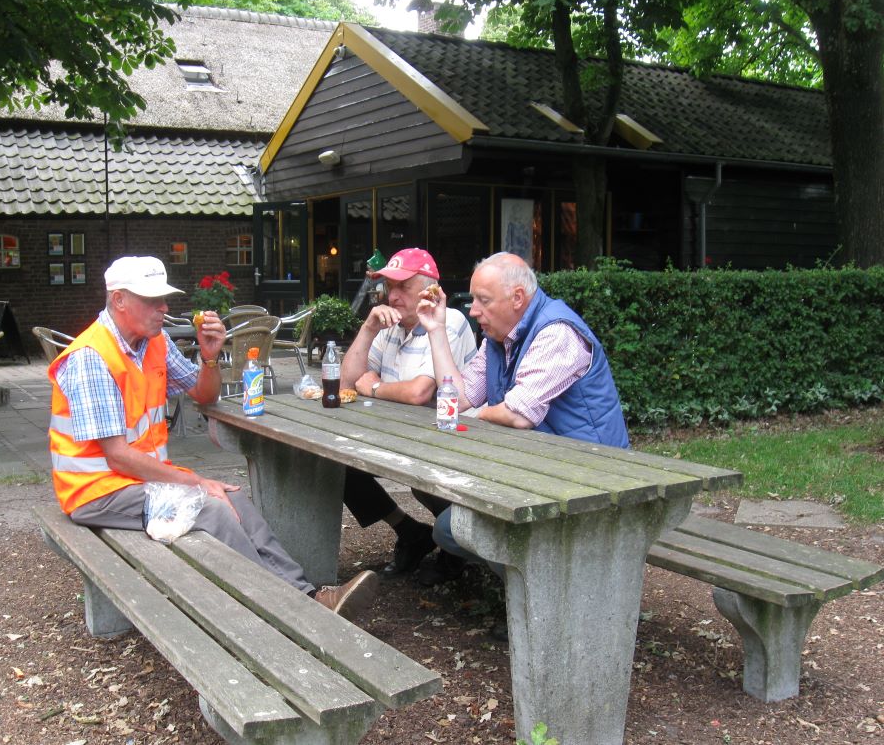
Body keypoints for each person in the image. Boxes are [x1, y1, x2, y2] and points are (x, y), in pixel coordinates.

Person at [47, 255, 378, 619]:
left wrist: (209, 357)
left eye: (163, 298)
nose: (163, 308)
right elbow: (118, 456)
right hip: (95, 492)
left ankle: (307, 597)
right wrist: (197, 482)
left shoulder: (154, 342)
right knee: (212, 508)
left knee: (233, 497)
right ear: (119, 299)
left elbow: (204, 395)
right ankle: (283, 611)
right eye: (152, 300)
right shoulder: (91, 358)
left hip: (136, 481)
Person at [415, 251, 629, 582]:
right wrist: (436, 329)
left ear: (517, 298)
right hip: (545, 471)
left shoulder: (557, 333)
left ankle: (543, 595)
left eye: (483, 300)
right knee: (445, 516)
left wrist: (475, 417)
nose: (473, 310)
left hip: (594, 481)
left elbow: (518, 414)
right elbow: (456, 397)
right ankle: (534, 585)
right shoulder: (499, 338)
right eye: (473, 299)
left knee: (454, 527)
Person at [339, 247, 478, 579]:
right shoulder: (389, 324)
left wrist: (374, 387)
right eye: (390, 286)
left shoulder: (449, 321)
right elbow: (346, 382)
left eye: (403, 286)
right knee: (335, 461)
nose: (393, 296)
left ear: (430, 290)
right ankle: (410, 532)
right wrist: (368, 329)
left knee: (423, 485)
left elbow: (420, 392)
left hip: (449, 441)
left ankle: (456, 550)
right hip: (398, 435)